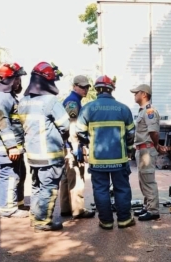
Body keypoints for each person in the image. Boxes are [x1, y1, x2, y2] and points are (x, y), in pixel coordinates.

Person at [76, 75, 136, 230]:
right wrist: (129, 150)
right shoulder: (123, 108)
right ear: (111, 90)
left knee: (101, 190)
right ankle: (124, 220)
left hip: (98, 160)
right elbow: (131, 134)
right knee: (122, 189)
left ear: (96, 90)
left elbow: (80, 132)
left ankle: (106, 221)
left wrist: (90, 143)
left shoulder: (88, 108)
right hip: (119, 159)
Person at [18, 62, 70, 232]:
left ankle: (35, 217)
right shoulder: (50, 100)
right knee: (49, 187)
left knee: (36, 187)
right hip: (50, 154)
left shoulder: (24, 101)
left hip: (33, 155)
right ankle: (43, 222)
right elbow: (65, 125)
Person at [0, 63, 28, 218]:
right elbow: (1, 122)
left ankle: (18, 203)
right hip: (5, 147)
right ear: (10, 78)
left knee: (19, 174)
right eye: (17, 78)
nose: (19, 82)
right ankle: (7, 209)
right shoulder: (0, 96)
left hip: (14, 146)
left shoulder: (7, 94)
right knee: (9, 175)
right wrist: (11, 146)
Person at [59, 75, 95, 219]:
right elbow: (72, 126)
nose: (85, 89)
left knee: (67, 178)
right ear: (75, 86)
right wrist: (76, 147)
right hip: (71, 145)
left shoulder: (73, 100)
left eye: (87, 87)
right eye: (82, 87)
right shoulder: (73, 102)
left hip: (66, 145)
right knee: (77, 177)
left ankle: (66, 208)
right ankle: (78, 210)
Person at [130, 84, 167, 221]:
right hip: (141, 149)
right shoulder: (142, 111)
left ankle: (153, 210)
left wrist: (156, 146)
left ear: (144, 94)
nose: (134, 95)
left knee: (148, 180)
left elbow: (153, 132)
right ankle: (147, 206)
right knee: (143, 180)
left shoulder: (149, 111)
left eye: (136, 93)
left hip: (147, 150)